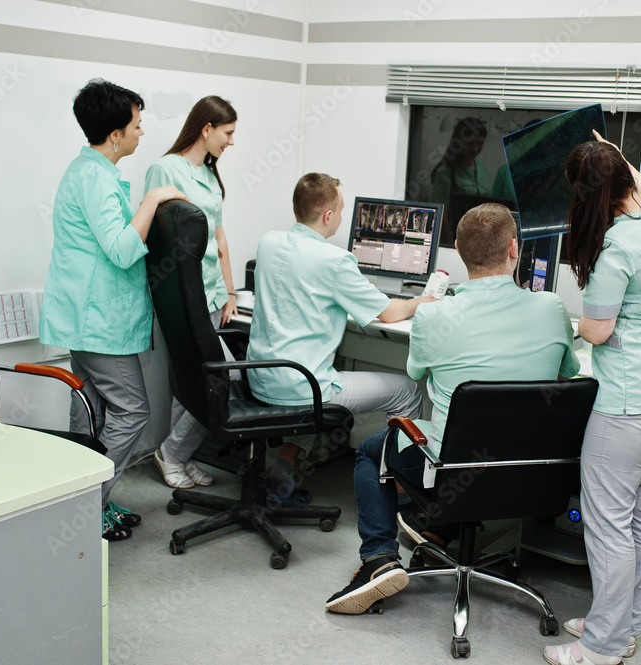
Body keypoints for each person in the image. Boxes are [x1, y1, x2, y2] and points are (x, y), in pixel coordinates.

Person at [325, 202, 580, 614]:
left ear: (458, 251)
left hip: (455, 474)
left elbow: (417, 371)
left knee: (373, 451)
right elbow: (567, 371)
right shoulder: (552, 310)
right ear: (515, 249)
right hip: (533, 477)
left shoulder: (433, 316)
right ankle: (437, 531)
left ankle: (378, 559)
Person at [543, 131, 641, 665]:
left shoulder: (618, 249)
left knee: (608, 522)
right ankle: (624, 625)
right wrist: (611, 153)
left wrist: (579, 325)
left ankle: (603, 646)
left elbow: (598, 331)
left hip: (632, 404)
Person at [39, 79, 188, 542]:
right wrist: (152, 198)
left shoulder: (88, 171)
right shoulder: (97, 178)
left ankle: (86, 504)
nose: (142, 133)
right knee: (131, 411)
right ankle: (86, 503)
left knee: (91, 412)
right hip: (99, 320)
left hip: (87, 316)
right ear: (116, 133)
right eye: (138, 126)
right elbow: (124, 250)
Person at [246, 173, 433, 503]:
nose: (343, 218)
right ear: (328, 216)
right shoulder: (334, 261)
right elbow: (389, 313)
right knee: (407, 391)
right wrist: (421, 301)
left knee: (317, 380)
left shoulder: (268, 242)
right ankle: (404, 495)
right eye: (341, 210)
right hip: (302, 386)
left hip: (260, 379)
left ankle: (285, 463)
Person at [145, 95, 239, 491]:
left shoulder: (210, 174)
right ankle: (172, 453)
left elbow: (218, 236)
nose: (231, 141)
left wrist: (230, 292)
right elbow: (154, 233)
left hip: (212, 296)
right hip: (182, 298)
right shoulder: (166, 169)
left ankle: (179, 456)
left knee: (192, 385)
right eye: (228, 133)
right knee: (220, 376)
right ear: (206, 129)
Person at [429, 117, 489, 245]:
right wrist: (450, 246)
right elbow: (441, 217)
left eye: (480, 143)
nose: (476, 149)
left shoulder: (483, 169)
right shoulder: (444, 174)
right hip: (455, 240)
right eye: (471, 143)